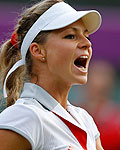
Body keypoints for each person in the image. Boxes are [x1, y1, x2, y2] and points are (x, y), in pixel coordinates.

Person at [0, 0, 103, 149]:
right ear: (37, 51)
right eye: (70, 36)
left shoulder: (84, 119)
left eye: (86, 36)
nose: (87, 43)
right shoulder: (22, 117)